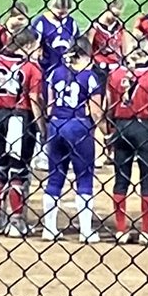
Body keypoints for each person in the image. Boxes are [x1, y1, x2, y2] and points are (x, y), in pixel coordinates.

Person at [0, 28, 45, 237]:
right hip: (19, 118)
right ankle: (16, 222)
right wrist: (41, 126)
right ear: (27, 46)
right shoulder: (31, 68)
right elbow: (34, 100)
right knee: (18, 171)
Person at [42, 46, 105, 243]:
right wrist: (103, 132)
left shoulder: (55, 72)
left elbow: (49, 105)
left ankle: (49, 228)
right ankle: (85, 231)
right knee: (84, 178)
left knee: (54, 178)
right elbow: (96, 111)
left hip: (56, 125)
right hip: (79, 127)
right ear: (84, 56)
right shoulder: (89, 76)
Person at [106, 42, 148, 244]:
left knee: (121, 178)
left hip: (121, 126)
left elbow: (109, 105)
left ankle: (121, 230)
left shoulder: (115, 75)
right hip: (144, 127)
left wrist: (110, 132)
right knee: (147, 179)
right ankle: (146, 231)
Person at [31, 0, 80, 78]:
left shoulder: (71, 22)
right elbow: (33, 44)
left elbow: (77, 43)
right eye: (59, 13)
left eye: (64, 13)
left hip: (66, 67)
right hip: (46, 65)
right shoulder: (41, 22)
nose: (61, 16)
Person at [89, 0, 127, 91]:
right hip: (99, 66)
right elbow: (89, 45)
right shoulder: (96, 25)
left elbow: (124, 46)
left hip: (115, 66)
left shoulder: (119, 26)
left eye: (118, 15)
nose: (115, 18)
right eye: (113, 14)